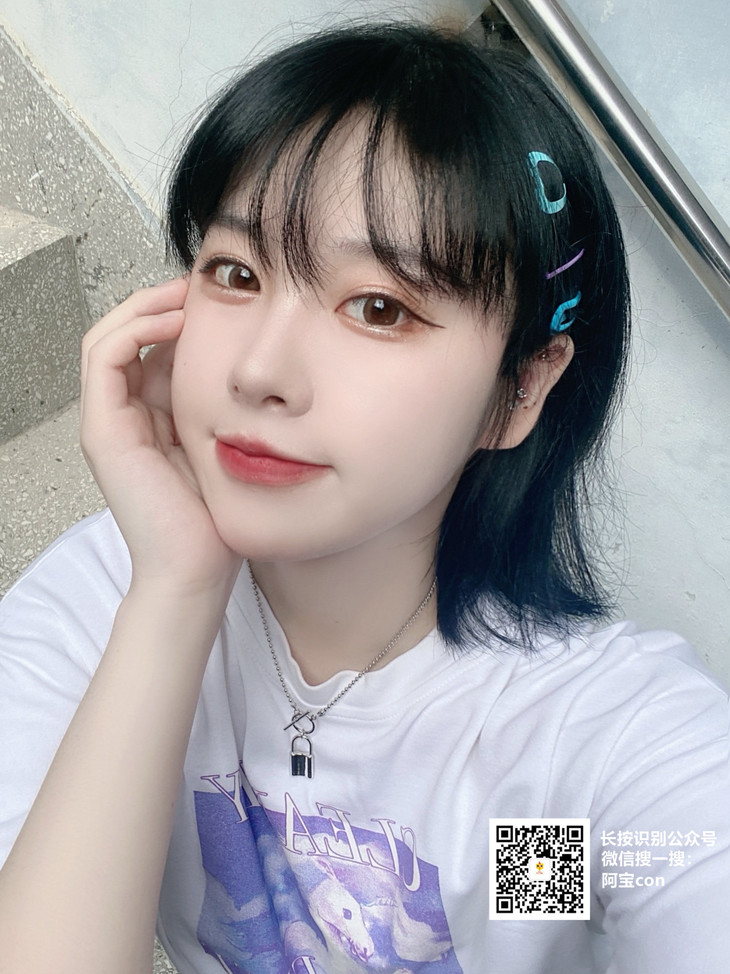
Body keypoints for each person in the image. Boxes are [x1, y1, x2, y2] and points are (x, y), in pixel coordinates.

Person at [0, 21, 727, 974]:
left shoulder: (570, 753)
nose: (259, 371)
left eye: (379, 307)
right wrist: (177, 595)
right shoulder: (108, 601)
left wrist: (548, 883)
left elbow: (585, 885)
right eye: (236, 273)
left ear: (520, 389)